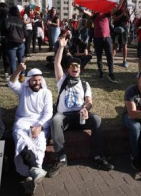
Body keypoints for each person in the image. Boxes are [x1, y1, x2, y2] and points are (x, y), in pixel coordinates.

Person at [48, 36, 114, 178]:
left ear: (80, 70)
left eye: (77, 66)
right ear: (69, 69)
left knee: (96, 119)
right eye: (72, 66)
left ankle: (98, 156)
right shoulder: (62, 80)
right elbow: (57, 64)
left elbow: (89, 101)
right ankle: (61, 158)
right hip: (64, 117)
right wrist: (61, 47)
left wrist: (86, 109)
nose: (75, 68)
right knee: (56, 120)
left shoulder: (85, 84)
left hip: (79, 117)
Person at [8, 63, 53, 195]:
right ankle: (34, 170)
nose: (37, 83)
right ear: (29, 80)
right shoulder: (23, 89)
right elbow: (11, 82)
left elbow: (48, 113)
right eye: (34, 80)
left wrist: (40, 127)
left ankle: (30, 177)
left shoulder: (47, 93)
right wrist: (19, 69)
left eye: (39, 80)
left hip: (40, 123)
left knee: (39, 144)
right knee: (21, 137)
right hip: (23, 121)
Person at [83, 8, 117, 82]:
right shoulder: (94, 16)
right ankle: (101, 72)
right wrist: (76, 6)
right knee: (99, 57)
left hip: (107, 38)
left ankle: (111, 73)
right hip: (97, 39)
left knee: (110, 56)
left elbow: (115, 8)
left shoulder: (106, 14)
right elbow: (84, 11)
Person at [5, 5, 26, 82]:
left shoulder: (8, 20)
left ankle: (14, 78)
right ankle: (23, 76)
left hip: (11, 43)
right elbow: (26, 33)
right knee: (21, 60)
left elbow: (5, 30)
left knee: (12, 61)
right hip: (21, 43)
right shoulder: (21, 20)